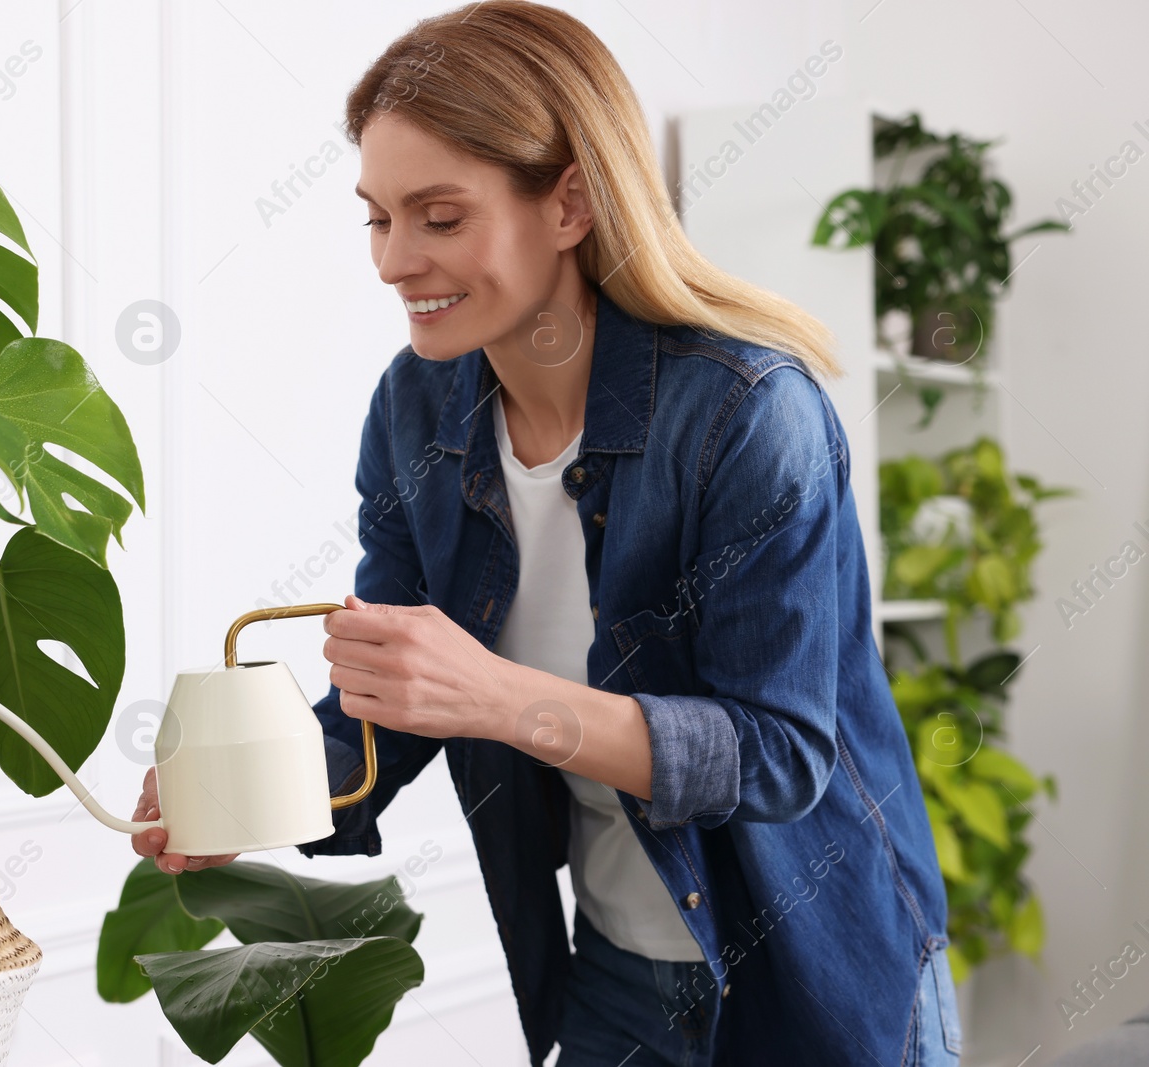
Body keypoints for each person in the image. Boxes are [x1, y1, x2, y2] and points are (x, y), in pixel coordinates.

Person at [131, 3, 959, 1064]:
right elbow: (395, 702)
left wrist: (494, 695)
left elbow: (779, 753)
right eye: (377, 218)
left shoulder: (747, 414)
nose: (393, 260)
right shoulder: (415, 412)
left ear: (568, 201)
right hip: (611, 965)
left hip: (816, 964)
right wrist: (245, 795)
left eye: (439, 216)